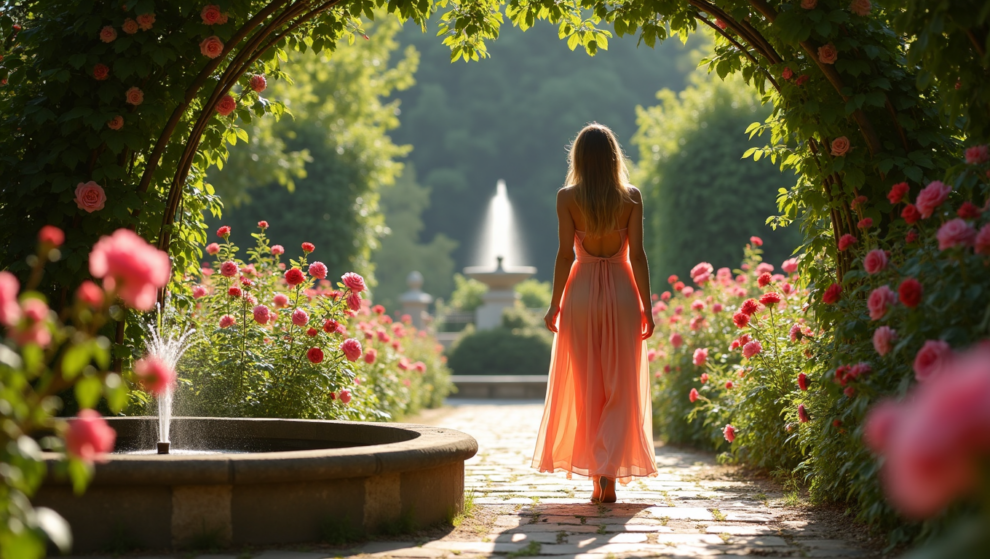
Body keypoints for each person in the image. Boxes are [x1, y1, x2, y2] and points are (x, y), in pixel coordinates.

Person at [531, 123, 658, 503]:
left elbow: (564, 255)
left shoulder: (567, 198)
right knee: (621, 388)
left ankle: (596, 477)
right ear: (614, 157)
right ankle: (609, 474)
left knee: (588, 387)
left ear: (579, 159)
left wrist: (554, 303)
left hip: (582, 294)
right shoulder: (631, 197)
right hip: (622, 293)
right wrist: (647, 307)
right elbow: (638, 256)